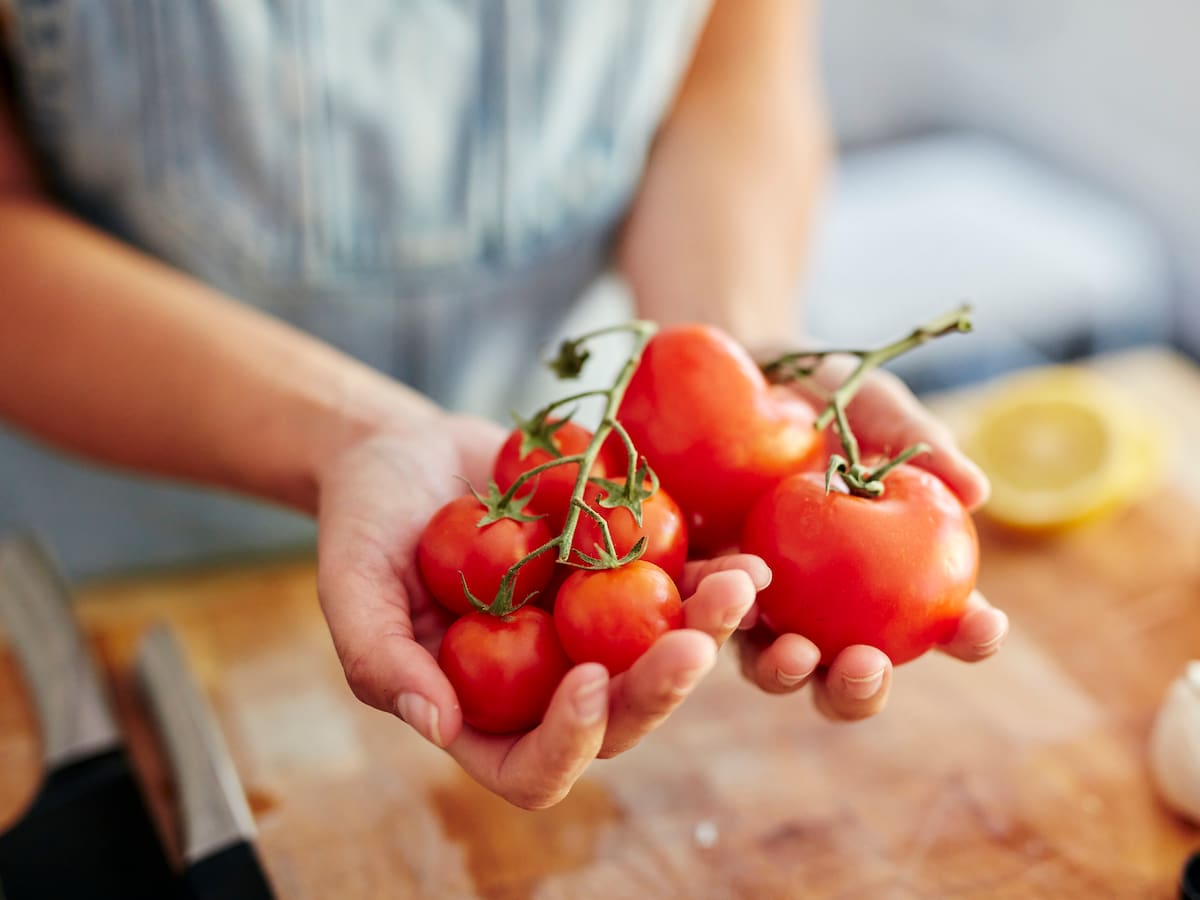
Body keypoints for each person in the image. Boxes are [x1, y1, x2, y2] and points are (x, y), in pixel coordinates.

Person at [0, 1, 1006, 809]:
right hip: (122, 575)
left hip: (571, 483)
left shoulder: (596, 529)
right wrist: (349, 435)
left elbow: (731, 70)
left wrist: (723, 351)